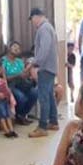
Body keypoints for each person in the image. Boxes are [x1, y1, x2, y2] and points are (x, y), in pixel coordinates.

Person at [29, 7, 60, 138]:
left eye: (32, 20)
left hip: (45, 68)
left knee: (44, 97)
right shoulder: (48, 27)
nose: (32, 23)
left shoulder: (44, 29)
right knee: (49, 95)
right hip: (50, 67)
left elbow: (44, 50)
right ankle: (53, 121)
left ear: (36, 17)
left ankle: (42, 127)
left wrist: (35, 63)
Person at [3, 41, 35, 124]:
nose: (17, 49)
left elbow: (23, 74)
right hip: (10, 85)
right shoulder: (3, 61)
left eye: (18, 48)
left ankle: (22, 115)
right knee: (21, 97)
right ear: (8, 48)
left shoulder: (19, 61)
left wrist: (26, 74)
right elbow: (4, 78)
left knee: (34, 93)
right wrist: (17, 75)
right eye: (14, 47)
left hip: (22, 84)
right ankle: (18, 115)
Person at [0, 58, 18, 138]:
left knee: (8, 114)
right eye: (2, 67)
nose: (3, 68)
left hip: (6, 99)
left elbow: (5, 84)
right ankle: (6, 131)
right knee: (2, 115)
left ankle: (11, 130)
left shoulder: (2, 77)